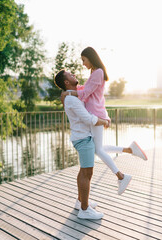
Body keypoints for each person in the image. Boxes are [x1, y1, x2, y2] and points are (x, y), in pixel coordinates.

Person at [61, 47, 147, 195]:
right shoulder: (95, 72)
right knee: (97, 148)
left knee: (98, 149)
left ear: (90, 57)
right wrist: (69, 91)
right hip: (95, 113)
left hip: (95, 114)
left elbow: (85, 93)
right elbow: (85, 88)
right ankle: (129, 150)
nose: (83, 64)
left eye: (84, 60)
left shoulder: (98, 72)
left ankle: (121, 176)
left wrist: (68, 92)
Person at [54, 69, 107, 219]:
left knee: (83, 172)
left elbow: (86, 90)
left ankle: (80, 201)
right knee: (87, 173)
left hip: (82, 137)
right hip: (83, 139)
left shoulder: (71, 97)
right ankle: (85, 209)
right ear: (66, 82)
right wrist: (104, 121)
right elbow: (88, 118)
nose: (74, 75)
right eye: (71, 75)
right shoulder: (71, 100)